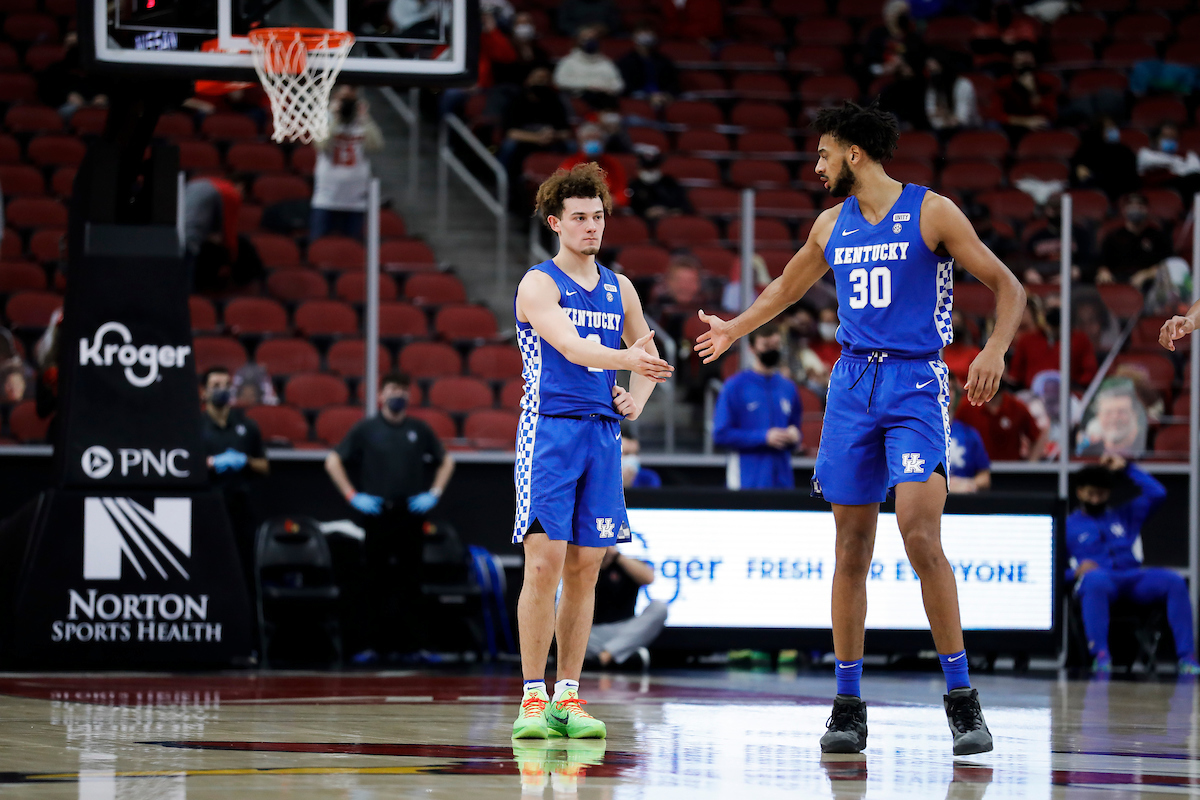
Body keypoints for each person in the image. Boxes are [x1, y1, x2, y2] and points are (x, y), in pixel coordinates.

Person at [694, 102, 1026, 755]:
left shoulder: (931, 211)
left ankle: (962, 701)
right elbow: (786, 289)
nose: (815, 166)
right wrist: (735, 328)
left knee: (920, 534)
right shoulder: (829, 225)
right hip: (850, 387)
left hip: (915, 382)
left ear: (853, 154)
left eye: (822, 154)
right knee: (850, 549)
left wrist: (994, 349)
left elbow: (1006, 284)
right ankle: (848, 706)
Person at [511, 163, 672, 740]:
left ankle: (568, 697)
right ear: (556, 222)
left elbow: (649, 353)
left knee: (587, 568)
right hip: (550, 431)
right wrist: (627, 364)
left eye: (598, 217)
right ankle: (532, 697)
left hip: (602, 435)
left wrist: (638, 399)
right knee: (544, 562)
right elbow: (574, 348)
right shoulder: (539, 284)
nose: (590, 227)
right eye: (578, 218)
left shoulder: (620, 286)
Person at [324, 371, 456, 663]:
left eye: (403, 390)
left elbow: (446, 461)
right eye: (393, 389)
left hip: (410, 513)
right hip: (377, 513)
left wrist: (433, 493)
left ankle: (417, 647)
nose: (398, 395)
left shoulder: (419, 430)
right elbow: (333, 460)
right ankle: (370, 646)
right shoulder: (367, 429)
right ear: (381, 395)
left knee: (412, 581)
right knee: (373, 580)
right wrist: (352, 495)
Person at [1067, 456, 1200, 675]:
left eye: (1101, 493)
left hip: (1133, 578)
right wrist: (1074, 573)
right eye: (1090, 493)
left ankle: (1187, 657)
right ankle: (1101, 656)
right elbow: (1053, 571)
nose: (1096, 498)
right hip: (1101, 580)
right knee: (1094, 580)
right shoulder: (1068, 526)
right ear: (1080, 492)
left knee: (1174, 581)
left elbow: (1158, 493)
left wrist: (1127, 469)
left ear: (1108, 493)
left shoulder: (1124, 515)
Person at [200, 367, 269, 596]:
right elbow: (183, 465)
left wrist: (246, 461)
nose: (222, 390)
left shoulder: (247, 426)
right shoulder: (194, 427)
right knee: (208, 569)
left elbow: (264, 466)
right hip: (208, 508)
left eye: (226, 385)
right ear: (204, 392)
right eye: (216, 386)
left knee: (244, 570)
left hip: (241, 509)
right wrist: (209, 464)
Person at [712, 328, 802, 489]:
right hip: (746, 480)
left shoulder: (788, 387)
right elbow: (721, 434)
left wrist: (794, 436)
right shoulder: (735, 386)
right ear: (752, 348)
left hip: (782, 480)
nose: (772, 350)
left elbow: (795, 426)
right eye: (766, 345)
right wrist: (764, 437)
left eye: (776, 344)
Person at [310, 87, 384, 241]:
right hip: (326, 198)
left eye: (350, 100)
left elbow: (377, 145)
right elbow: (321, 145)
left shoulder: (362, 122)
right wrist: (335, 117)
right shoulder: (324, 119)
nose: (346, 105)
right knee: (318, 246)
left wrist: (365, 118)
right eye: (343, 100)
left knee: (352, 250)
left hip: (355, 200)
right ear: (334, 99)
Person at [587, 546, 666, 668]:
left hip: (624, 629)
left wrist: (617, 556)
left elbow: (649, 578)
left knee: (659, 608)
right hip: (590, 633)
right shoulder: (584, 566)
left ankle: (606, 656)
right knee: (555, 613)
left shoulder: (627, 564)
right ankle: (624, 654)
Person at [1008, 302, 1097, 390]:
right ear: (1042, 313)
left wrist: (1073, 386)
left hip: (1069, 394)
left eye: (1058, 311)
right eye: (1051, 311)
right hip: (1033, 396)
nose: (1055, 316)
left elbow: (1090, 373)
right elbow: (1016, 376)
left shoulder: (1080, 339)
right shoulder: (1027, 340)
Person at [1096, 193, 1172, 288]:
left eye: (1140, 206)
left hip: (1149, 285)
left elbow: (1168, 265)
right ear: (1124, 210)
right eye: (1132, 206)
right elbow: (1101, 263)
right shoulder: (1113, 237)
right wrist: (1103, 271)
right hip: (1118, 282)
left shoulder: (1158, 237)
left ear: (1147, 209)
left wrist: (1145, 274)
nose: (1136, 209)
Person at [956, 384, 1048, 462]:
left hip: (1010, 473)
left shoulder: (1017, 407)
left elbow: (1036, 436)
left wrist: (1031, 464)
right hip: (973, 473)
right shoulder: (965, 407)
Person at [556, 123, 629, 208]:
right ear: (580, 142)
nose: (593, 142)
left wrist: (616, 200)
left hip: (610, 210)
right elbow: (563, 191)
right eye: (588, 139)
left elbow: (622, 191)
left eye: (596, 139)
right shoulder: (570, 164)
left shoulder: (612, 164)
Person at [989, 46, 1057, 135]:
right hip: (1013, 125)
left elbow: (1051, 114)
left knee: (1047, 124)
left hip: (1038, 123)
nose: (1025, 59)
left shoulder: (1047, 81)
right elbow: (996, 114)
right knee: (992, 126)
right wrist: (1025, 122)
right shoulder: (1004, 83)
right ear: (1013, 63)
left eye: (1028, 60)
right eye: (1021, 61)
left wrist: (1033, 92)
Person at [1071, 117, 1139, 202]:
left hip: (1121, 191)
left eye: (1114, 127)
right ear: (1099, 130)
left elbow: (1131, 177)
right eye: (1108, 128)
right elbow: (1080, 172)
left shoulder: (1124, 150)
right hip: (1095, 191)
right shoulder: (1087, 150)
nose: (1113, 130)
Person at [1075, 380, 1148, 459]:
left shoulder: (1150, 452)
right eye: (1108, 413)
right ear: (1098, 416)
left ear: (1135, 414)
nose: (1114, 418)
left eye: (1121, 411)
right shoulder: (1088, 455)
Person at [553, 27, 625, 106]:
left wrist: (603, 88)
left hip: (604, 100)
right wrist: (588, 86)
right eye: (585, 38)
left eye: (592, 38)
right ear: (577, 40)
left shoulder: (606, 63)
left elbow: (618, 84)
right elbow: (560, 81)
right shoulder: (568, 61)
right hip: (578, 101)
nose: (589, 40)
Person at [617, 24, 680, 107]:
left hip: (662, 97)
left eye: (649, 32)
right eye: (642, 32)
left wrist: (668, 95)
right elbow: (626, 87)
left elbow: (673, 83)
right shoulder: (625, 61)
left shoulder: (664, 61)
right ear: (634, 36)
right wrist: (648, 96)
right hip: (637, 98)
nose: (646, 35)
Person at [946, 380, 990, 494]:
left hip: (963, 499)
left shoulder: (969, 434)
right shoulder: (918, 434)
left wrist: (968, 484)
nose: (946, 393)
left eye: (950, 389)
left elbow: (984, 477)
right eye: (941, 387)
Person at [924, 51, 981, 132]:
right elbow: (930, 113)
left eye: (936, 71)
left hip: (970, 130)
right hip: (941, 130)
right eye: (930, 71)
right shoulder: (933, 86)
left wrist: (945, 116)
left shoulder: (963, 85)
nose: (933, 75)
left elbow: (962, 119)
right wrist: (942, 120)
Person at [628, 147, 690, 220]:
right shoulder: (634, 186)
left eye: (653, 168)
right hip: (645, 223)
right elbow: (629, 210)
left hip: (670, 221)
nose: (650, 172)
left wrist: (670, 211)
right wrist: (646, 213)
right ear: (639, 168)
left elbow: (684, 205)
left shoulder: (669, 183)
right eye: (647, 168)